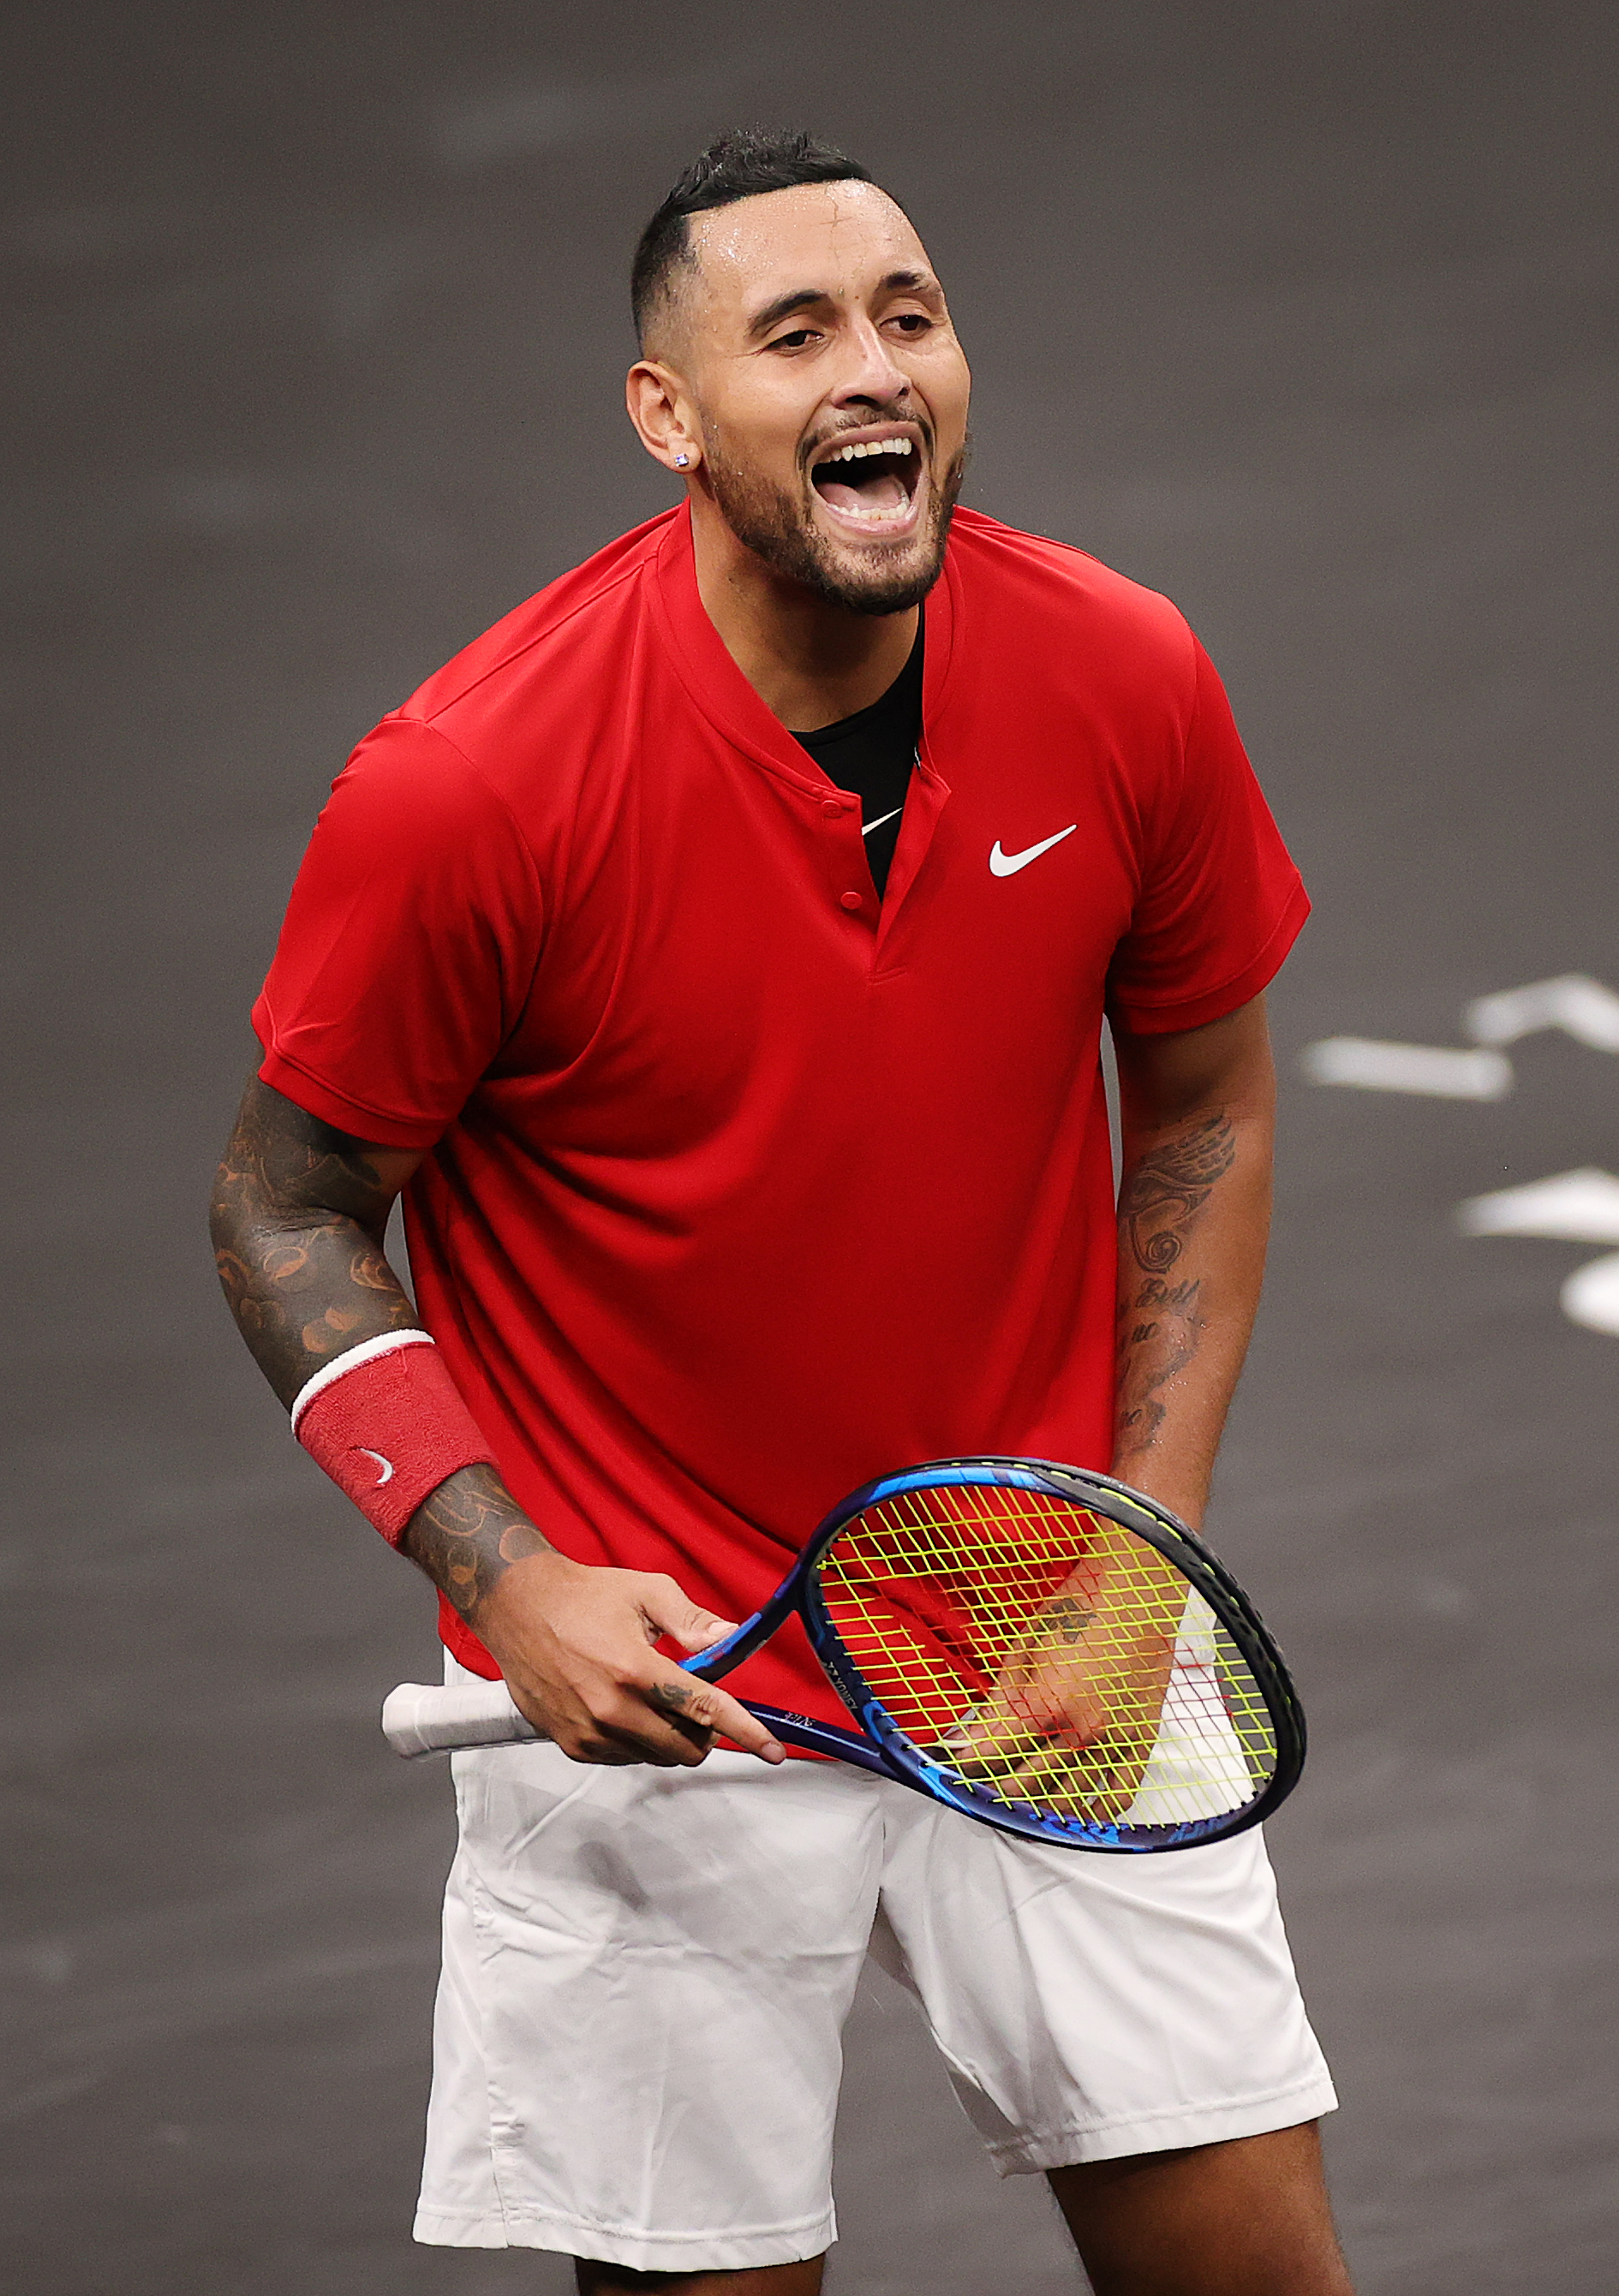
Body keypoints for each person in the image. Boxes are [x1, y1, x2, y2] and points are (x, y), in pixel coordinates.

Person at [211, 128, 1352, 2296]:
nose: (876, 369)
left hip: (1048, 1633)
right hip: (665, 1690)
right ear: (667, 415)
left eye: (909, 316)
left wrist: (1146, 1545)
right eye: (796, 331)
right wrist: (506, 1573)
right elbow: (283, 1208)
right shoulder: (471, 787)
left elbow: (1198, 1081)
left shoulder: (1123, 674)